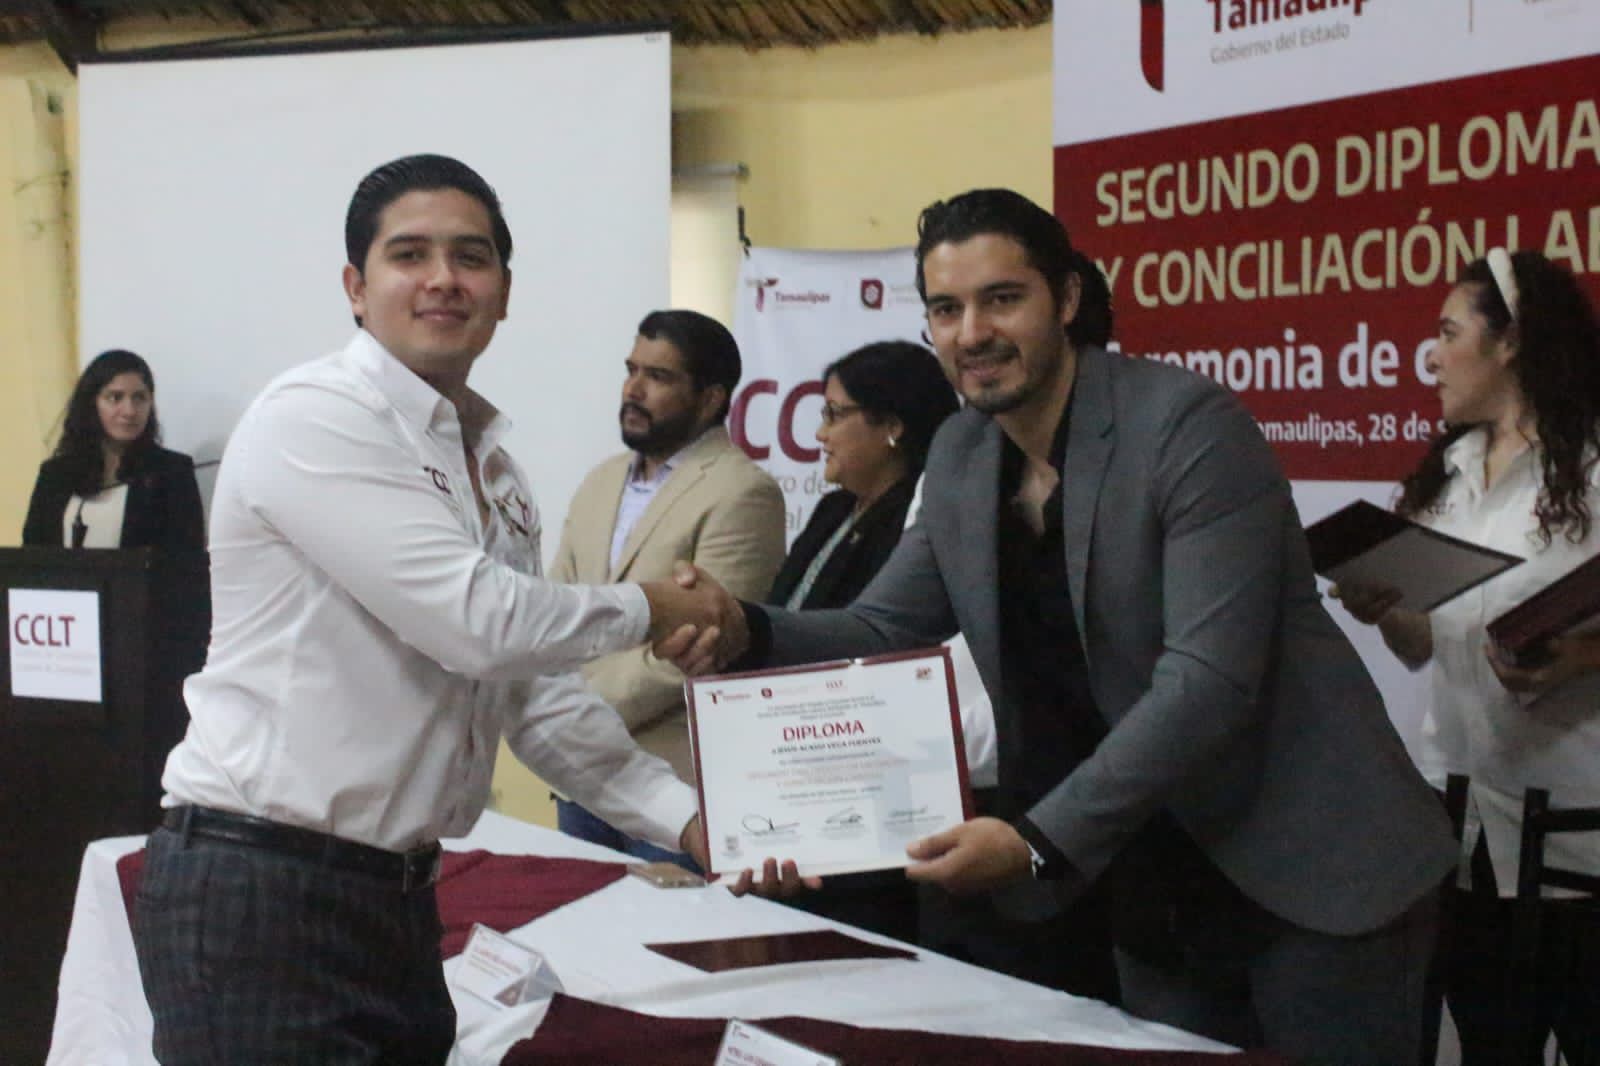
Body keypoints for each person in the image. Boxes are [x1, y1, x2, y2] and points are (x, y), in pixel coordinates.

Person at [664, 188, 1456, 1065]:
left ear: (1067, 298)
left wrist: (1038, 841)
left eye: (1002, 299)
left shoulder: (1189, 426)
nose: (972, 333)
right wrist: (745, 627)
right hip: (1149, 880)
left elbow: (1207, 682)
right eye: (946, 309)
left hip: (1314, 868)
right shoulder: (963, 452)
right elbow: (885, 626)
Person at [130, 154, 732, 1065]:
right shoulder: (315, 415)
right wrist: (651, 607)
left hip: (396, 896)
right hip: (262, 884)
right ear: (356, 287)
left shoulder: (493, 469)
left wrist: (688, 820)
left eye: (471, 257)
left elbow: (532, 694)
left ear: (504, 292)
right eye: (410, 254)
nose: (444, 278)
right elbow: (479, 624)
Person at [1333, 249, 1600, 1065]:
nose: (1432, 356)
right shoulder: (1444, 479)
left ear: (1510, 342)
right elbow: (1424, 643)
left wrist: (1580, 655)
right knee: (1488, 1048)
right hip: (1462, 827)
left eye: (1450, 333)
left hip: (1578, 832)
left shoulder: (1592, 470)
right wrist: (1386, 609)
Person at [550, 309, 785, 869]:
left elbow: (706, 641)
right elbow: (555, 611)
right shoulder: (600, 481)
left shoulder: (743, 491)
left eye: (657, 377)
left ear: (710, 398)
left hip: (678, 787)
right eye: (631, 370)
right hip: (580, 778)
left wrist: (581, 714)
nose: (632, 390)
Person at [764, 339, 958, 943]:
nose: (819, 433)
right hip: (790, 766)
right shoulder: (832, 511)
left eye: (833, 414)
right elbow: (785, 612)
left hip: (868, 782)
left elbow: (875, 641)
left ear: (892, 427)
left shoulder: (919, 524)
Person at [22, 349, 204, 550]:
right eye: (115, 398)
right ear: (91, 403)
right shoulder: (55, 474)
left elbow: (188, 556)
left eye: (139, 398)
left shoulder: (172, 472)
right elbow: (31, 555)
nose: (129, 411)